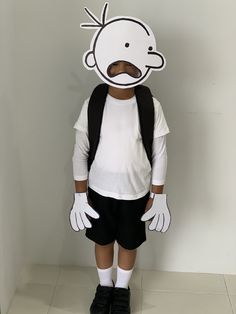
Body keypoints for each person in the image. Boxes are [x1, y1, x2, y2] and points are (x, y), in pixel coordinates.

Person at [70, 4, 171, 314]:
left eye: (130, 64)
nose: (122, 70)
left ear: (146, 63)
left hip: (136, 193)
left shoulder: (150, 105)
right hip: (99, 191)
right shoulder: (94, 103)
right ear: (99, 63)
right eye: (116, 64)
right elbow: (80, 149)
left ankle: (122, 290)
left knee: (128, 244)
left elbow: (160, 151)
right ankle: (104, 287)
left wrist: (159, 195)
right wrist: (79, 195)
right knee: (102, 241)